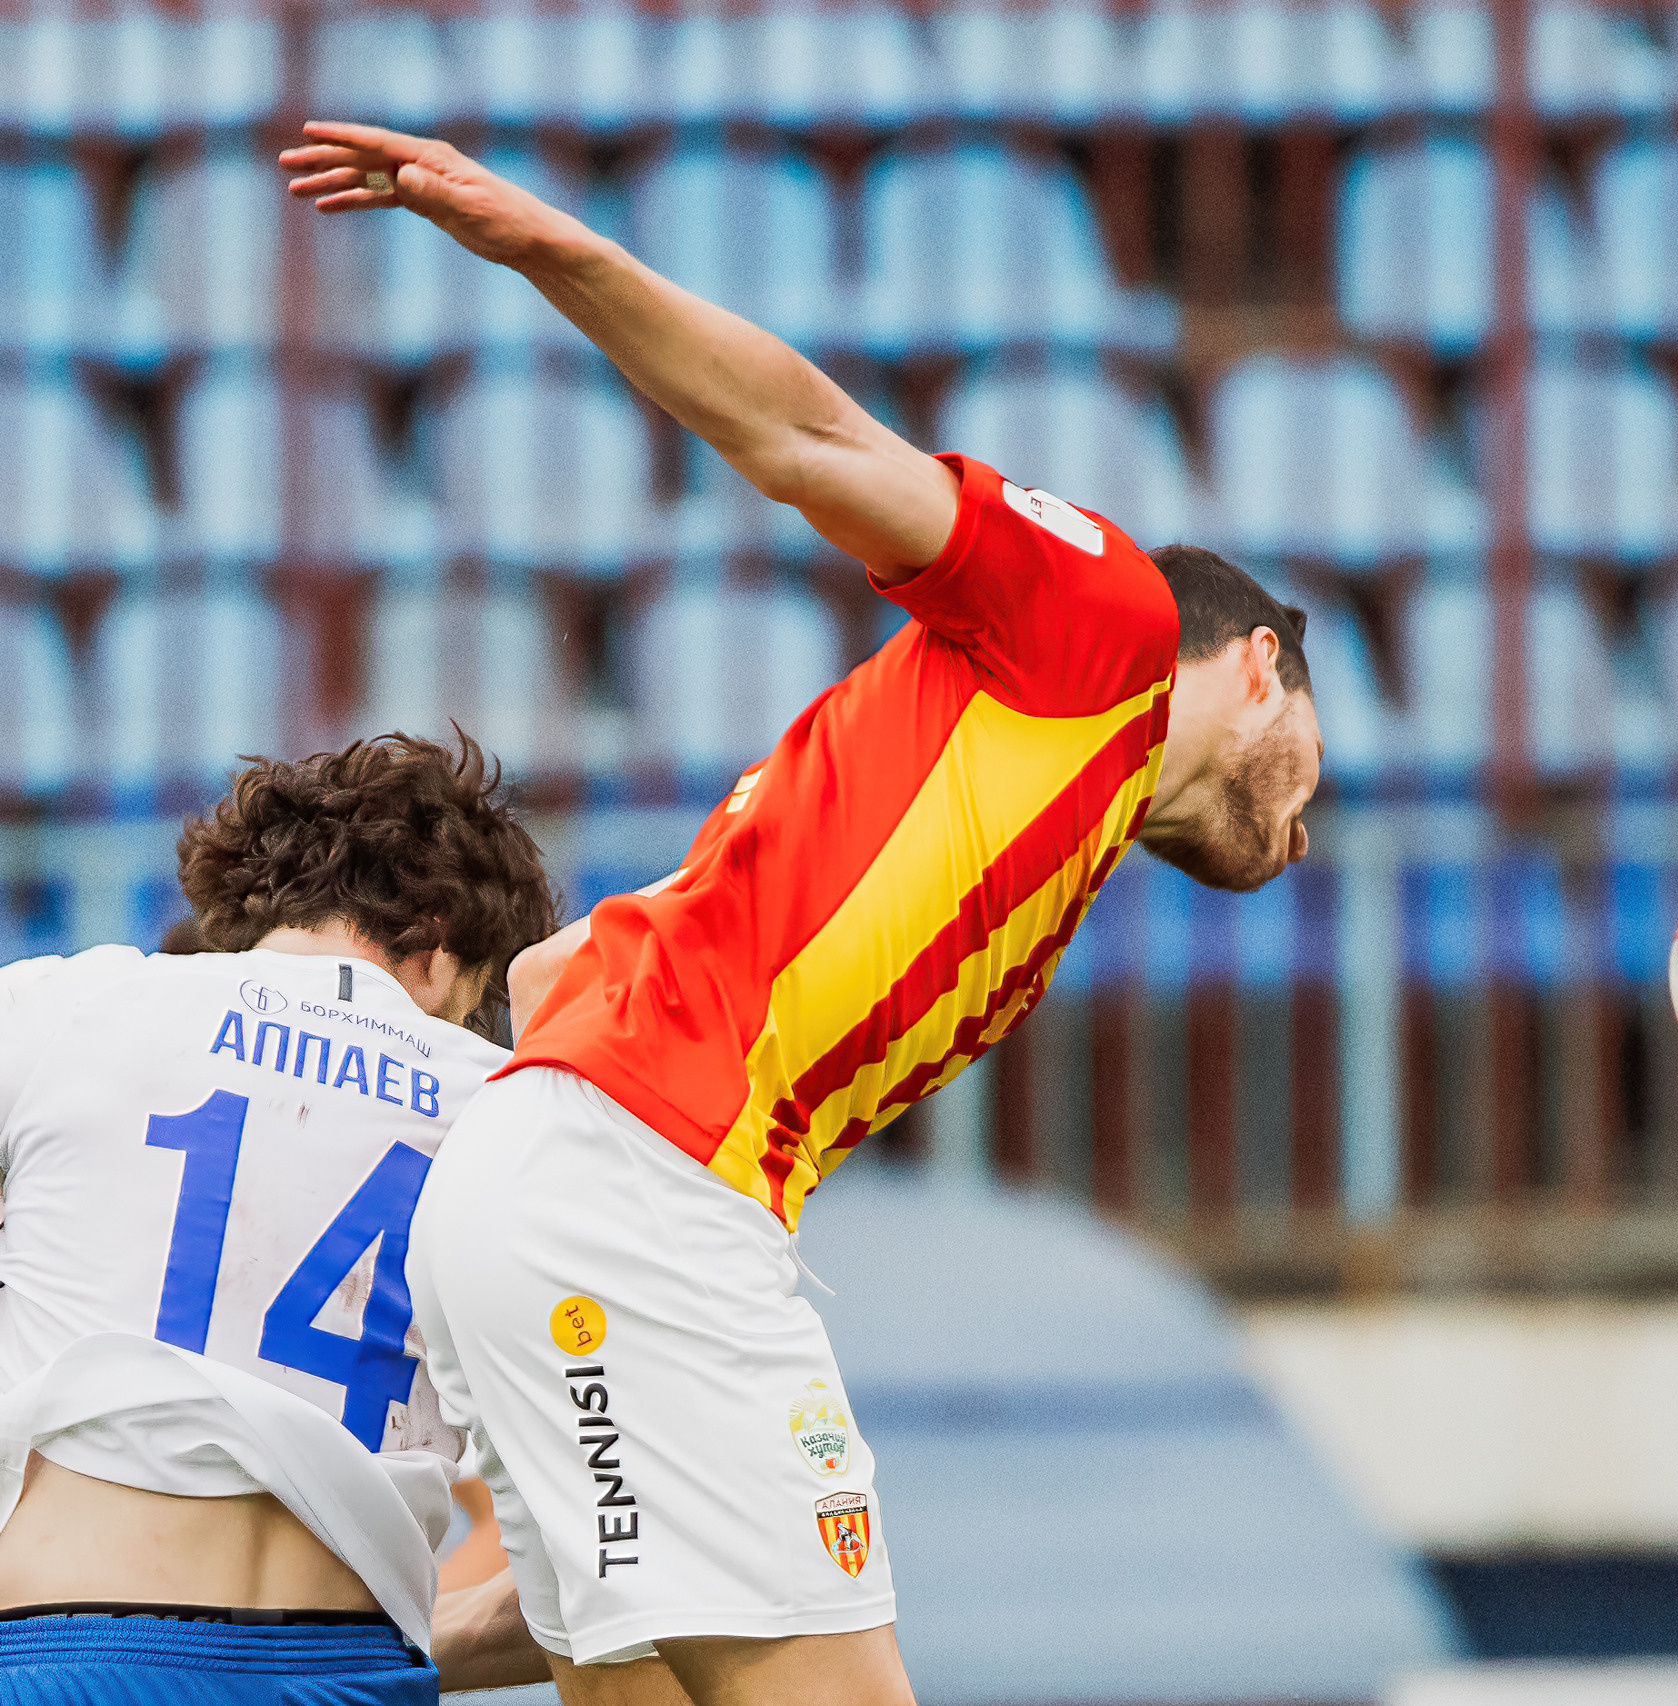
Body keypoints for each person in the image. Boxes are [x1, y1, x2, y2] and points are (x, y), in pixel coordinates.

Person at [277, 121, 1325, 1704]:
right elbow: (812, 436)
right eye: (1315, 758)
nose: (1307, 827)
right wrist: (554, 248)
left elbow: (569, 963)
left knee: (621, 1674)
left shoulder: (1048, 818)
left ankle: (207, 1650)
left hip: (550, 1181)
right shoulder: (1102, 624)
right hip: (648, 1191)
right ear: (1257, 662)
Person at [0, 732, 557, 1703]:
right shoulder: (515, 1105)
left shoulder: (67, 1005)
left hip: (62, 1652)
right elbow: (609, 1570)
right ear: (439, 941)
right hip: (347, 1668)